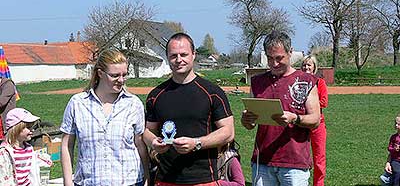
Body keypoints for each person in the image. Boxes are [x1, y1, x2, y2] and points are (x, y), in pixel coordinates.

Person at [144, 32, 234, 186]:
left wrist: (197, 143)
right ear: (167, 58)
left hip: (204, 179)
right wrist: (154, 143)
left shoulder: (212, 92)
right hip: (165, 179)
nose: (179, 60)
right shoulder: (156, 95)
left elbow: (228, 132)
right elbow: (146, 131)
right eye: (173, 56)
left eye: (184, 54)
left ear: (193, 55)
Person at [241, 31, 320, 186]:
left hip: (295, 163)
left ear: (290, 52)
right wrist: (246, 120)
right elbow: (250, 126)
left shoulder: (306, 80)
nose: (274, 63)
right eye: (270, 58)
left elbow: (315, 120)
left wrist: (295, 118)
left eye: (279, 58)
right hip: (262, 161)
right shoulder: (257, 82)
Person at [60, 48, 149, 186]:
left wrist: (147, 178)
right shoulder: (78, 103)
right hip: (88, 181)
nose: (121, 80)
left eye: (124, 75)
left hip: (128, 181)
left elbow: (140, 144)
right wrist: (67, 181)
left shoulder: (134, 104)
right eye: (115, 75)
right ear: (100, 73)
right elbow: (67, 144)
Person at [301, 55, 328, 186]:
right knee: (299, 155)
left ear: (314, 67)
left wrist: (309, 105)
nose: (306, 67)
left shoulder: (319, 82)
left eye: (309, 65)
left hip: (317, 124)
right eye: (304, 65)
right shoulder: (298, 82)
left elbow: (324, 101)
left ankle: (318, 184)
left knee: (319, 157)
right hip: (300, 123)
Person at [0, 108, 41, 186]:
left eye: (32, 127)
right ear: (16, 129)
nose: (32, 130)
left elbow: (33, 174)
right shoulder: (4, 152)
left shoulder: (29, 149)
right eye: (28, 128)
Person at [384, 114, 400, 186]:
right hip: (396, 160)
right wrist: (394, 149)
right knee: (398, 172)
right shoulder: (394, 137)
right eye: (395, 123)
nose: (396, 126)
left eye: (399, 124)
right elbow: (389, 148)